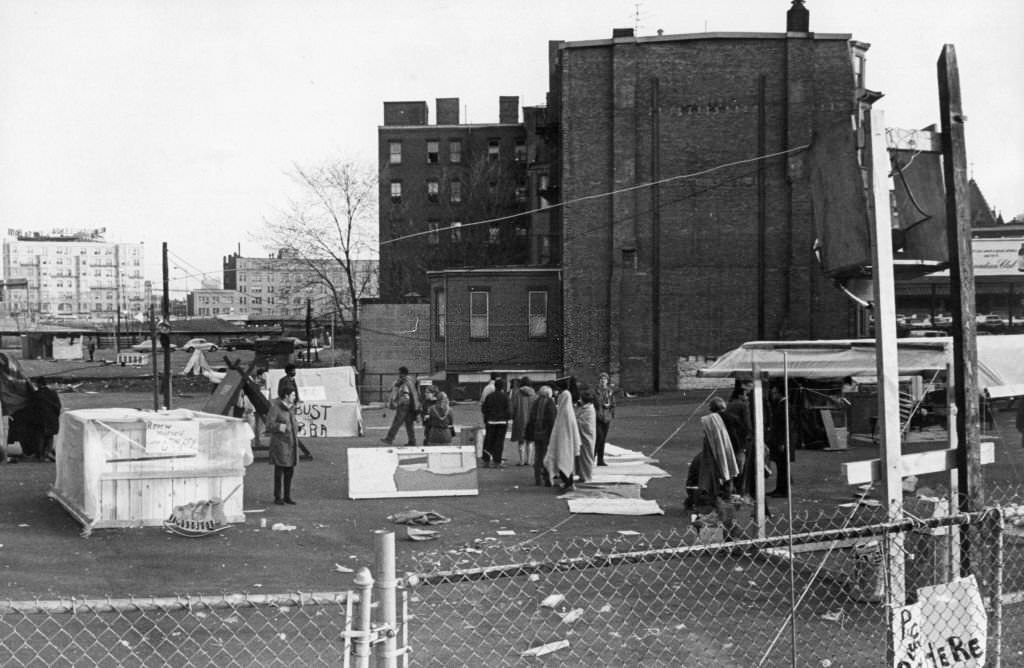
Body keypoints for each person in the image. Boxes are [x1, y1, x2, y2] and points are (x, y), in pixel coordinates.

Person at [697, 397, 740, 502]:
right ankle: (727, 493)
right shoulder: (731, 417)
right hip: (727, 446)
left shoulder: (712, 419)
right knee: (728, 470)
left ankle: (718, 494)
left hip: (718, 447)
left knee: (718, 470)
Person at [267, 386, 299, 505]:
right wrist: (279, 427)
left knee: (289, 471)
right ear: (286, 395)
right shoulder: (275, 408)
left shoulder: (291, 409)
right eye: (293, 395)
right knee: (279, 470)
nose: (295, 397)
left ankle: (287, 496)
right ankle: (277, 496)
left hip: (291, 444)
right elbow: (269, 425)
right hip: (280, 444)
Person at [544, 388, 581, 490]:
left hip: (564, 442)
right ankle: (568, 482)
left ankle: (568, 482)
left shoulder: (565, 413)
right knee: (565, 462)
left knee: (564, 461)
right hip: (565, 442)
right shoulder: (568, 412)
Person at [277, 364, 312, 459]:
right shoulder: (283, 381)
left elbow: (295, 391)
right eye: (293, 370)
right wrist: (287, 401)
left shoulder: (292, 380)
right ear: (288, 371)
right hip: (287, 405)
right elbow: (281, 392)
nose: (294, 372)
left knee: (292, 423)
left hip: (292, 405)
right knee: (286, 423)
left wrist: (297, 400)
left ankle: (291, 443)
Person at [767, 383, 794, 498]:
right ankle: (780, 488)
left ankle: (783, 490)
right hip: (781, 439)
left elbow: (786, 426)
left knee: (783, 466)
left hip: (783, 440)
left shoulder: (785, 406)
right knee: (781, 466)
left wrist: (782, 442)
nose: (773, 395)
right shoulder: (781, 405)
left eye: (774, 393)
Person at [382, 366, 420, 446]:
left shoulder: (405, 381)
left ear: (402, 373)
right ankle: (412, 441)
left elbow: (405, 393)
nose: (398, 374)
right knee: (409, 424)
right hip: (409, 405)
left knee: (397, 422)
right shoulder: (409, 381)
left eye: (399, 373)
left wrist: (395, 402)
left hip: (404, 405)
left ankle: (389, 439)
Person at [527, 384, 557, 486]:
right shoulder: (550, 403)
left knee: (538, 456)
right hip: (546, 433)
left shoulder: (536, 403)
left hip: (536, 433)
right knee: (546, 456)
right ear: (549, 393)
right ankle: (547, 478)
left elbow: (531, 418)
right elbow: (552, 420)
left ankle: (537, 478)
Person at [480, 378, 511, 467]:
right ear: (503, 387)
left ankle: (486, 460)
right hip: (502, 422)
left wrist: (486, 418)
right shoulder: (505, 397)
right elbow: (509, 410)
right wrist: (507, 418)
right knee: (499, 442)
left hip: (491, 422)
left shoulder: (490, 396)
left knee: (488, 441)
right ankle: (497, 461)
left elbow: (484, 409)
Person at [32, 377, 62, 462]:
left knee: (40, 437)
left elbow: (33, 408)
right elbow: (58, 406)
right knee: (49, 437)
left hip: (40, 420)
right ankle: (47, 453)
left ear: (39, 384)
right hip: (51, 419)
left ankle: (41, 455)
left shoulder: (36, 395)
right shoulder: (52, 393)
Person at [510, 376, 537, 466]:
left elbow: (513, 407)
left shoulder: (517, 394)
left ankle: (521, 461)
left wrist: (513, 417)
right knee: (530, 441)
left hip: (519, 419)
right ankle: (529, 461)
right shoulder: (534, 395)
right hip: (532, 421)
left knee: (521, 441)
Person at [575, 387, 597, 483]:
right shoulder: (583, 408)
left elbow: (585, 423)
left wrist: (575, 420)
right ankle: (582, 475)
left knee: (587, 456)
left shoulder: (589, 410)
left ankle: (587, 476)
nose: (579, 400)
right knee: (581, 456)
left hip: (587, 436)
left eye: (581, 399)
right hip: (582, 436)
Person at [594, 372, 616, 466]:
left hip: (606, 417)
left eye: (605, 379)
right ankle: (591, 458)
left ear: (607, 381)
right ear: (599, 381)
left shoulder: (610, 392)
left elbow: (613, 404)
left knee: (603, 439)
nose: (603, 381)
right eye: (601, 379)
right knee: (599, 437)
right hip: (597, 417)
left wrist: (609, 405)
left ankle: (600, 460)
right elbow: (592, 402)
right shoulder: (595, 391)